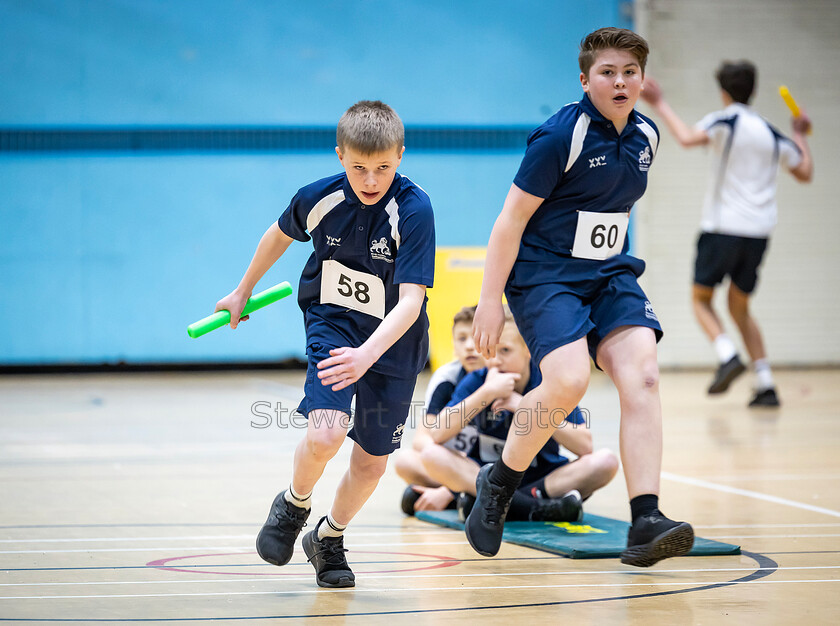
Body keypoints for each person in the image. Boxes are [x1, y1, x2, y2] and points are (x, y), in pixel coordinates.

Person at [469, 27, 695, 568]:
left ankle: (646, 519)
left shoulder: (647, 136)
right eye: (607, 73)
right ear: (585, 80)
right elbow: (510, 220)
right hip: (546, 276)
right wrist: (489, 300)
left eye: (630, 73)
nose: (619, 82)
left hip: (610, 274)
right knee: (567, 381)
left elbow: (611, 209)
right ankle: (499, 485)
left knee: (642, 376)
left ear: (643, 79)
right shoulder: (558, 137)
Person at [213, 100, 435, 588]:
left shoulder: (414, 209)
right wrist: (242, 289)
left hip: (392, 345)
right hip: (333, 326)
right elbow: (278, 235)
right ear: (340, 156)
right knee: (326, 433)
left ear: (400, 155)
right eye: (359, 167)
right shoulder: (320, 197)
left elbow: (411, 302)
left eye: (382, 168)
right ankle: (293, 504)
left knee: (372, 463)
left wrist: (367, 357)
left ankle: (328, 537)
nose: (370, 179)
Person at [640, 62, 814, 407]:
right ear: (754, 90)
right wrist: (800, 134)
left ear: (723, 92)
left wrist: (658, 103)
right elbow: (805, 172)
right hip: (759, 235)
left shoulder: (726, 120)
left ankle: (727, 354)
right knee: (740, 308)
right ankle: (765, 384)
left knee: (701, 300)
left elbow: (688, 138)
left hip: (722, 230)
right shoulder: (771, 132)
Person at [421, 311, 618, 522]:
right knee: (430, 455)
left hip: (542, 479)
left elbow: (584, 445)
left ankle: (500, 503)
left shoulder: (548, 382)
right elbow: (437, 433)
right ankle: (531, 508)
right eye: (490, 351)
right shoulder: (478, 381)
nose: (495, 360)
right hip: (489, 477)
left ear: (527, 350)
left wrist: (524, 407)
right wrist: (486, 394)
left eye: (505, 350)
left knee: (606, 462)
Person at [394, 305, 486, 515]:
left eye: (476, 337)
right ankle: (463, 494)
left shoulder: (501, 375)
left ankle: (453, 496)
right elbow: (421, 439)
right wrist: (451, 465)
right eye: (462, 339)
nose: (470, 346)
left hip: (491, 466)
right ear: (454, 345)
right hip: (453, 465)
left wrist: (447, 489)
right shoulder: (446, 378)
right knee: (405, 461)